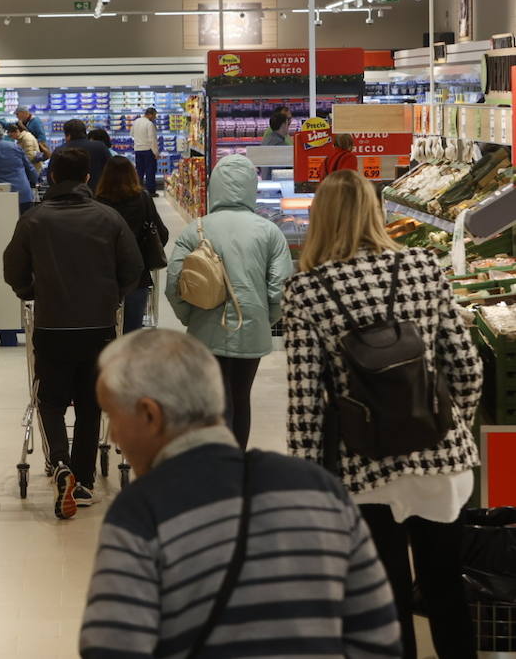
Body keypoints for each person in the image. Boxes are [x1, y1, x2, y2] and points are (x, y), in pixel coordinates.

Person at [80, 329, 401, 657]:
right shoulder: (321, 490)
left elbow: (112, 649)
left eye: (112, 417)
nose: (114, 437)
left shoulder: (141, 512)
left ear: (150, 414)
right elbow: (379, 639)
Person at [283, 169, 484, 659]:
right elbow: (466, 366)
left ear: (319, 219)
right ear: (375, 212)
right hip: (441, 462)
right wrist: (450, 425)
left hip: (364, 465)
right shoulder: (424, 266)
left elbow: (305, 404)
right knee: (446, 592)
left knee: (384, 604)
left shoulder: (306, 290)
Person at [2, 147, 143, 520]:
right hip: (98, 327)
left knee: (51, 401)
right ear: (87, 178)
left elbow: (13, 269)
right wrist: (112, 296)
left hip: (52, 326)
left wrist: (33, 291)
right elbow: (133, 268)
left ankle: (59, 463)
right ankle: (82, 482)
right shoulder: (108, 218)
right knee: (90, 404)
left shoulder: (34, 220)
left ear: (51, 177)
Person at [164, 154, 293, 448]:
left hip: (205, 327)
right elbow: (281, 287)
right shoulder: (269, 231)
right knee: (240, 396)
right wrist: (264, 319)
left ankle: (216, 460)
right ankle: (237, 461)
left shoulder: (196, 228)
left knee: (214, 400)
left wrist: (190, 317)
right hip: (251, 328)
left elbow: (174, 284)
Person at [95, 155, 168, 334]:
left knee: (105, 330)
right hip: (138, 273)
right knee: (133, 331)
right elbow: (161, 234)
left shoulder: (97, 202)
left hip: (105, 275)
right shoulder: (143, 198)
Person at [57, 119, 112, 190]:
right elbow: (112, 169)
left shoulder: (60, 150)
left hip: (68, 193)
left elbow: (51, 177)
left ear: (68, 136)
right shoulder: (100, 147)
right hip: (98, 192)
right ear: (85, 132)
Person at [131, 107, 159, 197]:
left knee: (139, 171)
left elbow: (131, 134)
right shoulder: (149, 124)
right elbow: (152, 140)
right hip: (148, 150)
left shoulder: (136, 122)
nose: (155, 118)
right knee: (150, 171)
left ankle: (138, 191)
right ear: (150, 115)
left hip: (138, 150)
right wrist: (156, 153)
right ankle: (150, 191)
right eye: (154, 115)